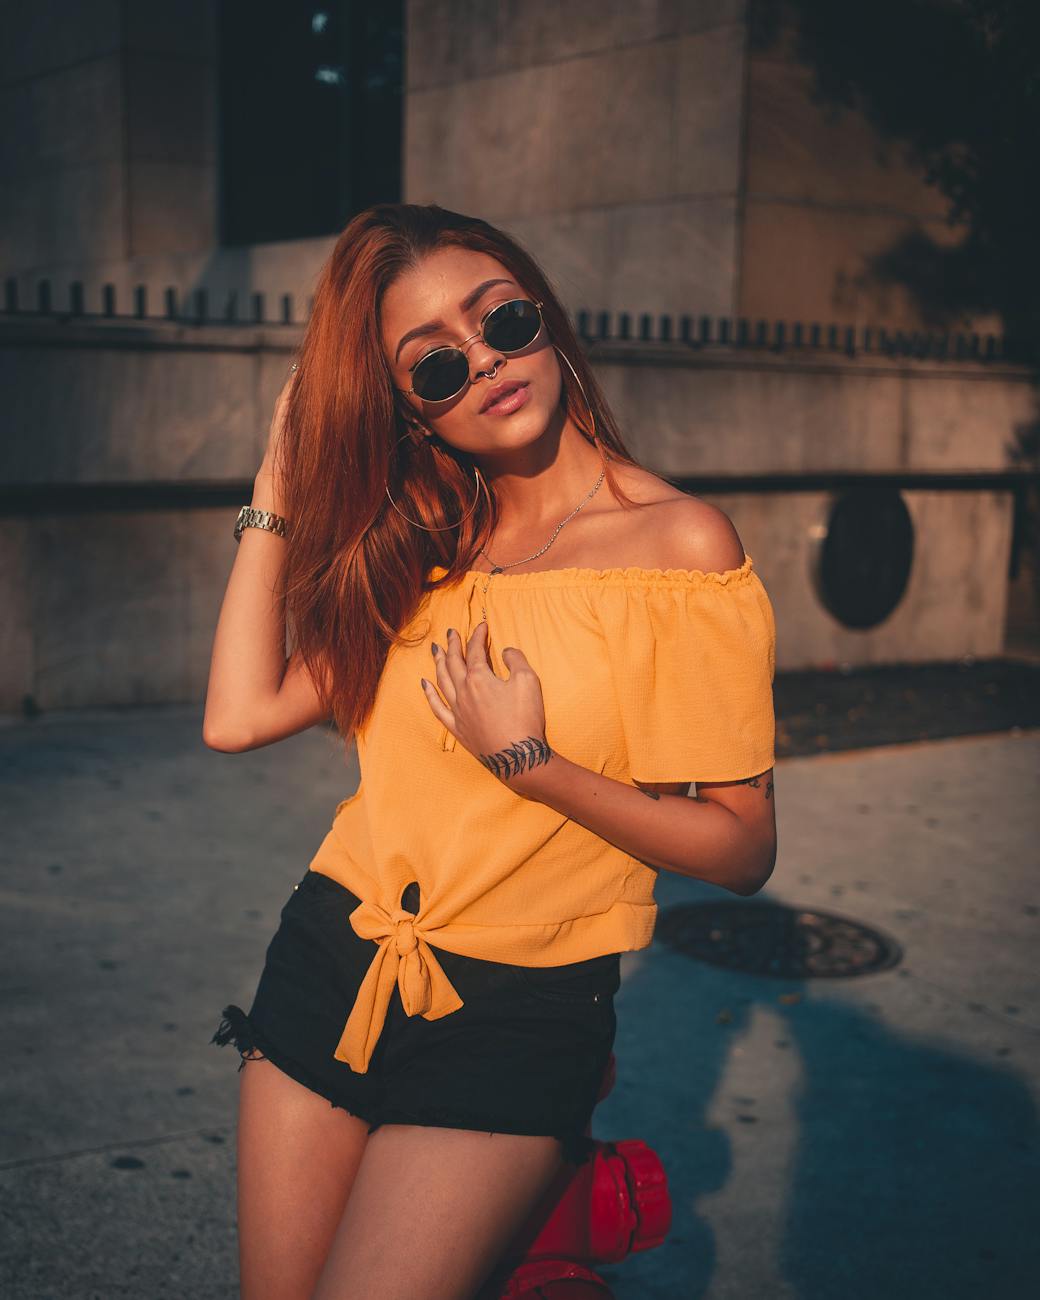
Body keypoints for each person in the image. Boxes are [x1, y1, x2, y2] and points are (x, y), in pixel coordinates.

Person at [203, 202, 778, 1300]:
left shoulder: (680, 546)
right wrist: (275, 490)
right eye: (432, 367)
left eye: (500, 318)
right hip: (335, 956)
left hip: (521, 1011)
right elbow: (235, 714)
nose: (484, 362)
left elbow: (741, 846)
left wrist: (534, 764)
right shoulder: (428, 545)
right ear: (408, 413)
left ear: (543, 317)